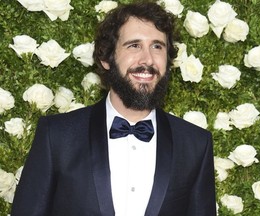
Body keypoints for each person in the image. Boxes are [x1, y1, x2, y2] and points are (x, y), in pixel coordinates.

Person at [11, 2, 216, 216]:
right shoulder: (57, 137)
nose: (147, 59)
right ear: (106, 58)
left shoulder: (196, 145)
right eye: (134, 45)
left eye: (157, 46)